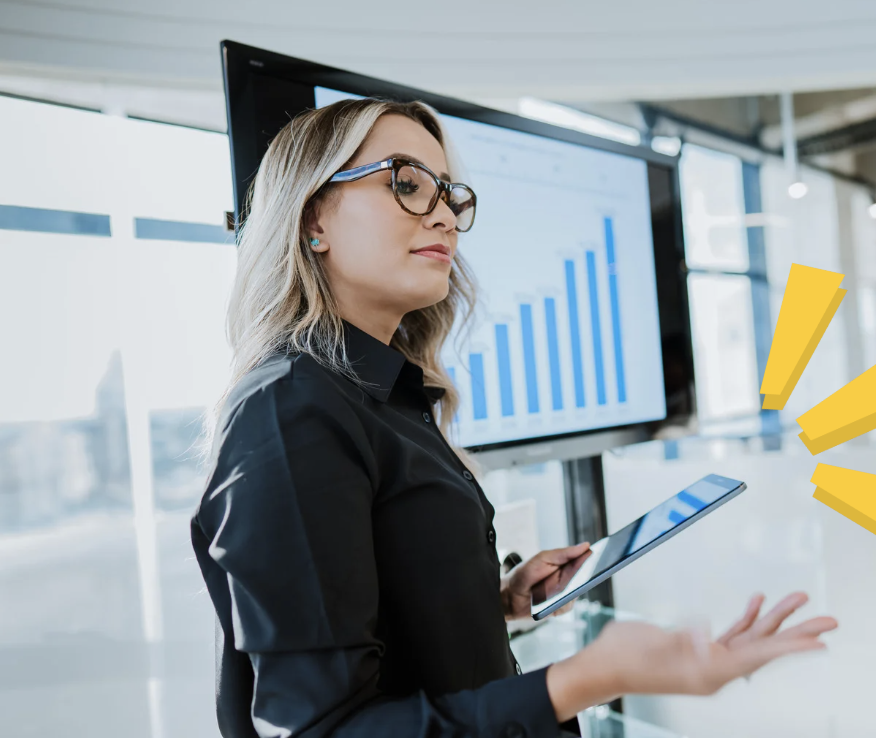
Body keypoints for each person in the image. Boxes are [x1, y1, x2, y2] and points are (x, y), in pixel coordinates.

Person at [190, 97, 838, 738]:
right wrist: (588, 677)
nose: (443, 215)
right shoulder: (291, 411)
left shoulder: (385, 396)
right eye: (407, 184)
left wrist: (489, 599)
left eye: (449, 195)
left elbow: (368, 617)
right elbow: (321, 730)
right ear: (312, 221)